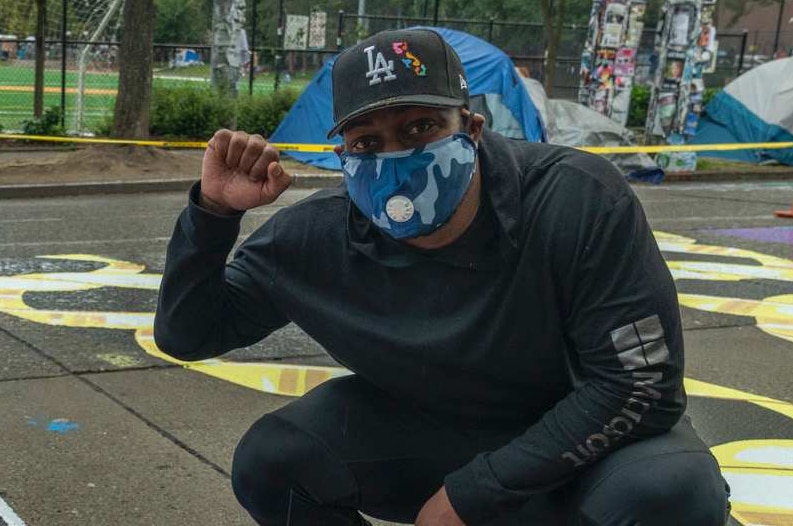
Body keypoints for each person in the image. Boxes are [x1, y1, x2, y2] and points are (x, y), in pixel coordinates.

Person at [154, 28, 730, 525]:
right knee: (272, 460)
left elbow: (640, 387)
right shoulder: (317, 238)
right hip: (437, 433)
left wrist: (473, 493)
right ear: (342, 155)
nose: (395, 158)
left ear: (472, 127)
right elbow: (189, 334)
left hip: (586, 446)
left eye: (421, 127)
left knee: (671, 494)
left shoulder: (577, 199)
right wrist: (213, 214)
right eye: (367, 142)